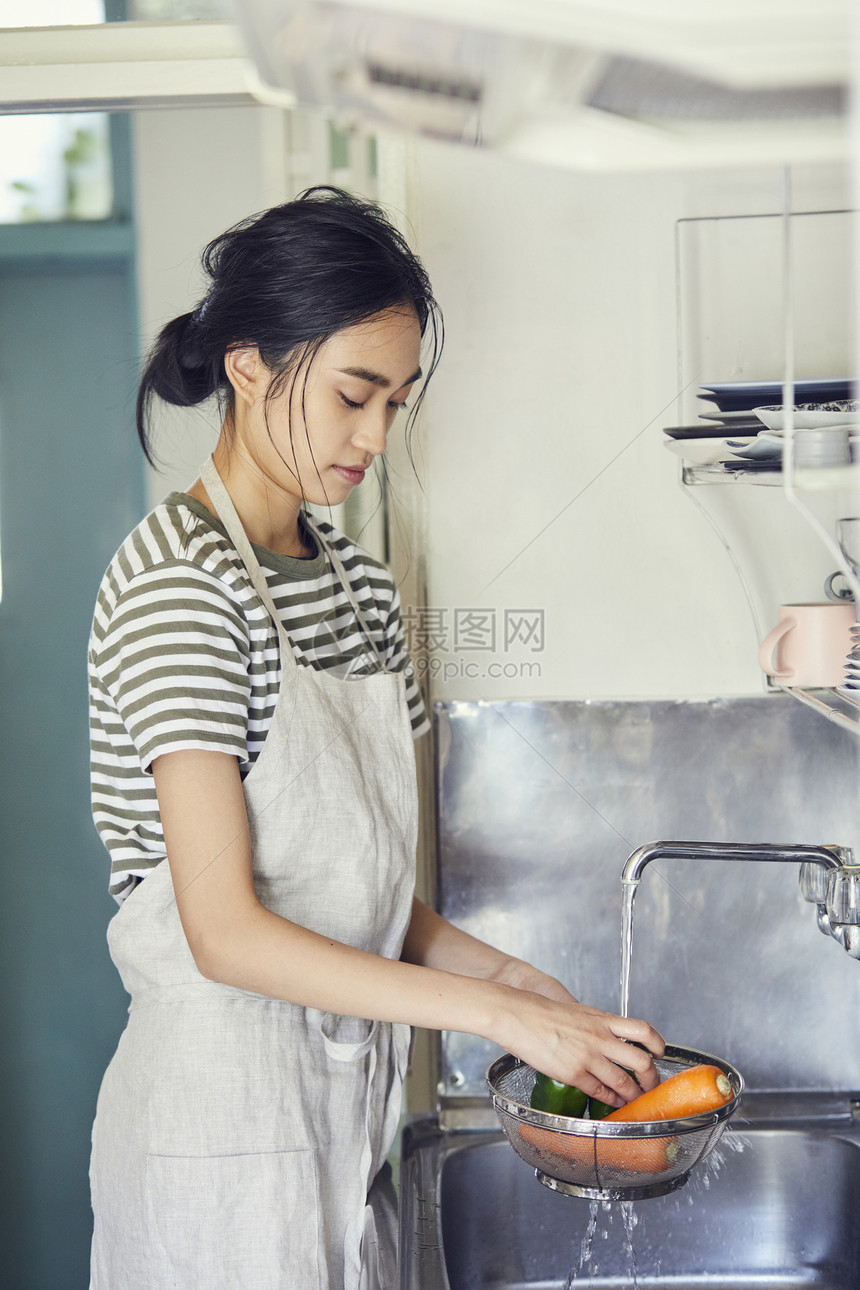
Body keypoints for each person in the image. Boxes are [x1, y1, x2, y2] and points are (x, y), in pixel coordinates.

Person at [87, 186, 664, 1290]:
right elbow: (229, 934)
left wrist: (525, 988)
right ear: (250, 365)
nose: (375, 437)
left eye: (396, 402)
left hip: (345, 1113)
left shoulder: (355, 586)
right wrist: (491, 1013)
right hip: (221, 1125)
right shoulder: (177, 585)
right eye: (354, 394)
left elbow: (356, 892)